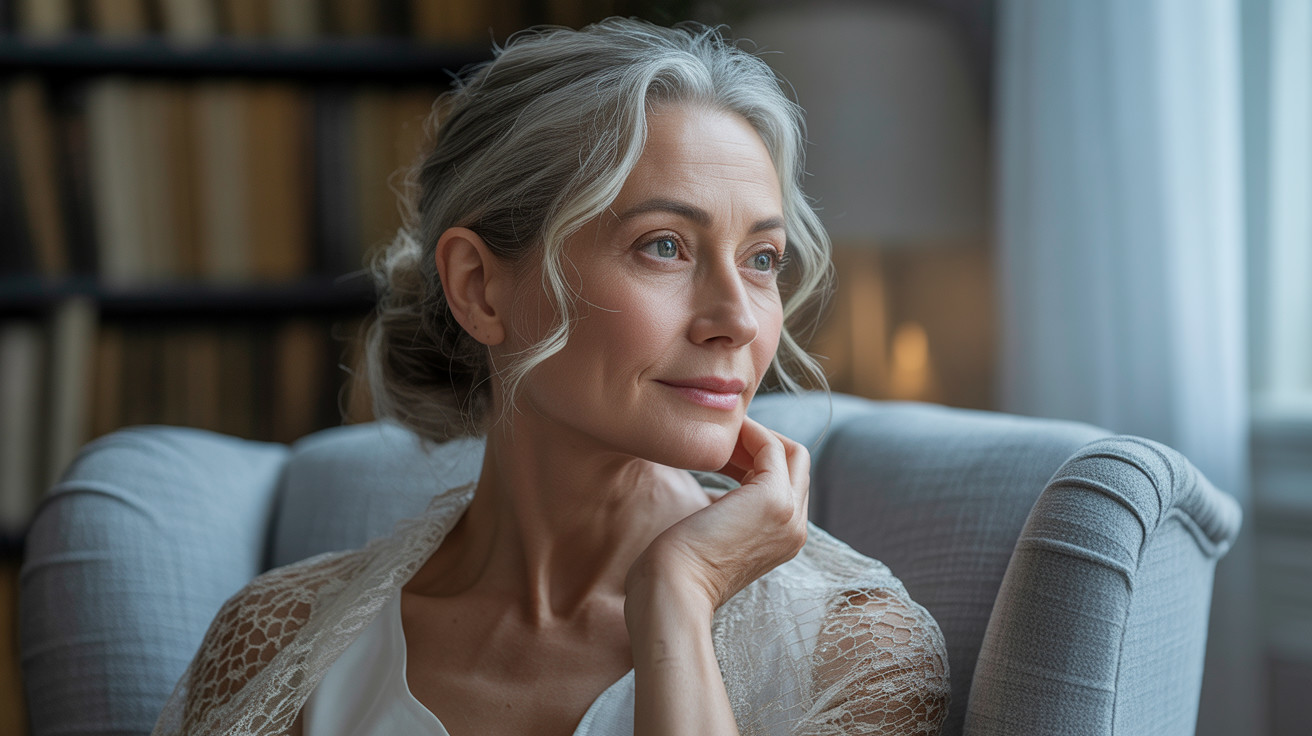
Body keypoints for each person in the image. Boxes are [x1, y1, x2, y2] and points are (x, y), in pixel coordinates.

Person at [152, 18, 949, 736]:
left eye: (762, 259)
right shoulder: (277, 643)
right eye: (664, 245)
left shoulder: (854, 652)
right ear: (479, 287)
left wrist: (677, 594)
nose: (738, 318)